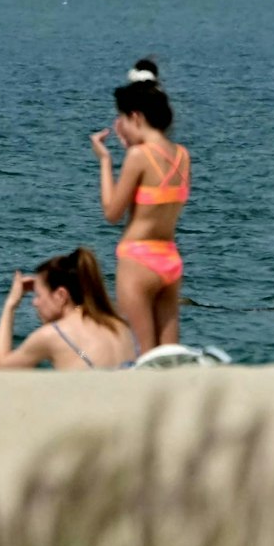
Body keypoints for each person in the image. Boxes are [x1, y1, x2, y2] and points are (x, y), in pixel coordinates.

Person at [93, 70, 189, 353]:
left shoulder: (138, 157)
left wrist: (105, 162)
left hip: (138, 260)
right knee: (169, 357)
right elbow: (154, 196)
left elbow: (112, 213)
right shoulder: (182, 156)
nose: (120, 125)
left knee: (144, 355)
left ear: (135, 116)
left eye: (122, 119)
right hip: (169, 259)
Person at [0, 246, 135, 370]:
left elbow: (0, 369)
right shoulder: (120, 324)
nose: (35, 303)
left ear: (61, 295)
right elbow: (83, 355)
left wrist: (10, 304)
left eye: (38, 295)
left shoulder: (54, 334)